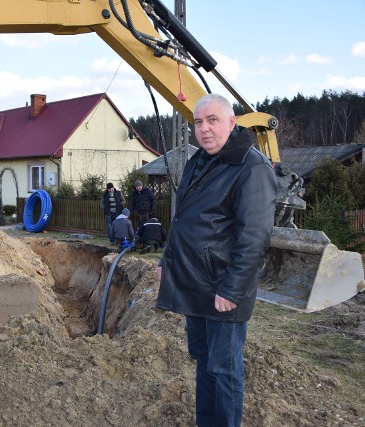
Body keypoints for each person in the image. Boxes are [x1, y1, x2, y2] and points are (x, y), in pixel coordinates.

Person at [156, 94, 277, 427]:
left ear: (231, 122)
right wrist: (168, 261)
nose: (204, 129)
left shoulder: (252, 167)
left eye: (212, 120)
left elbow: (254, 237)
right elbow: (183, 219)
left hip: (223, 289)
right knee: (205, 362)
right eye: (198, 122)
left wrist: (231, 289)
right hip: (196, 286)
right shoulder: (199, 161)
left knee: (225, 371)